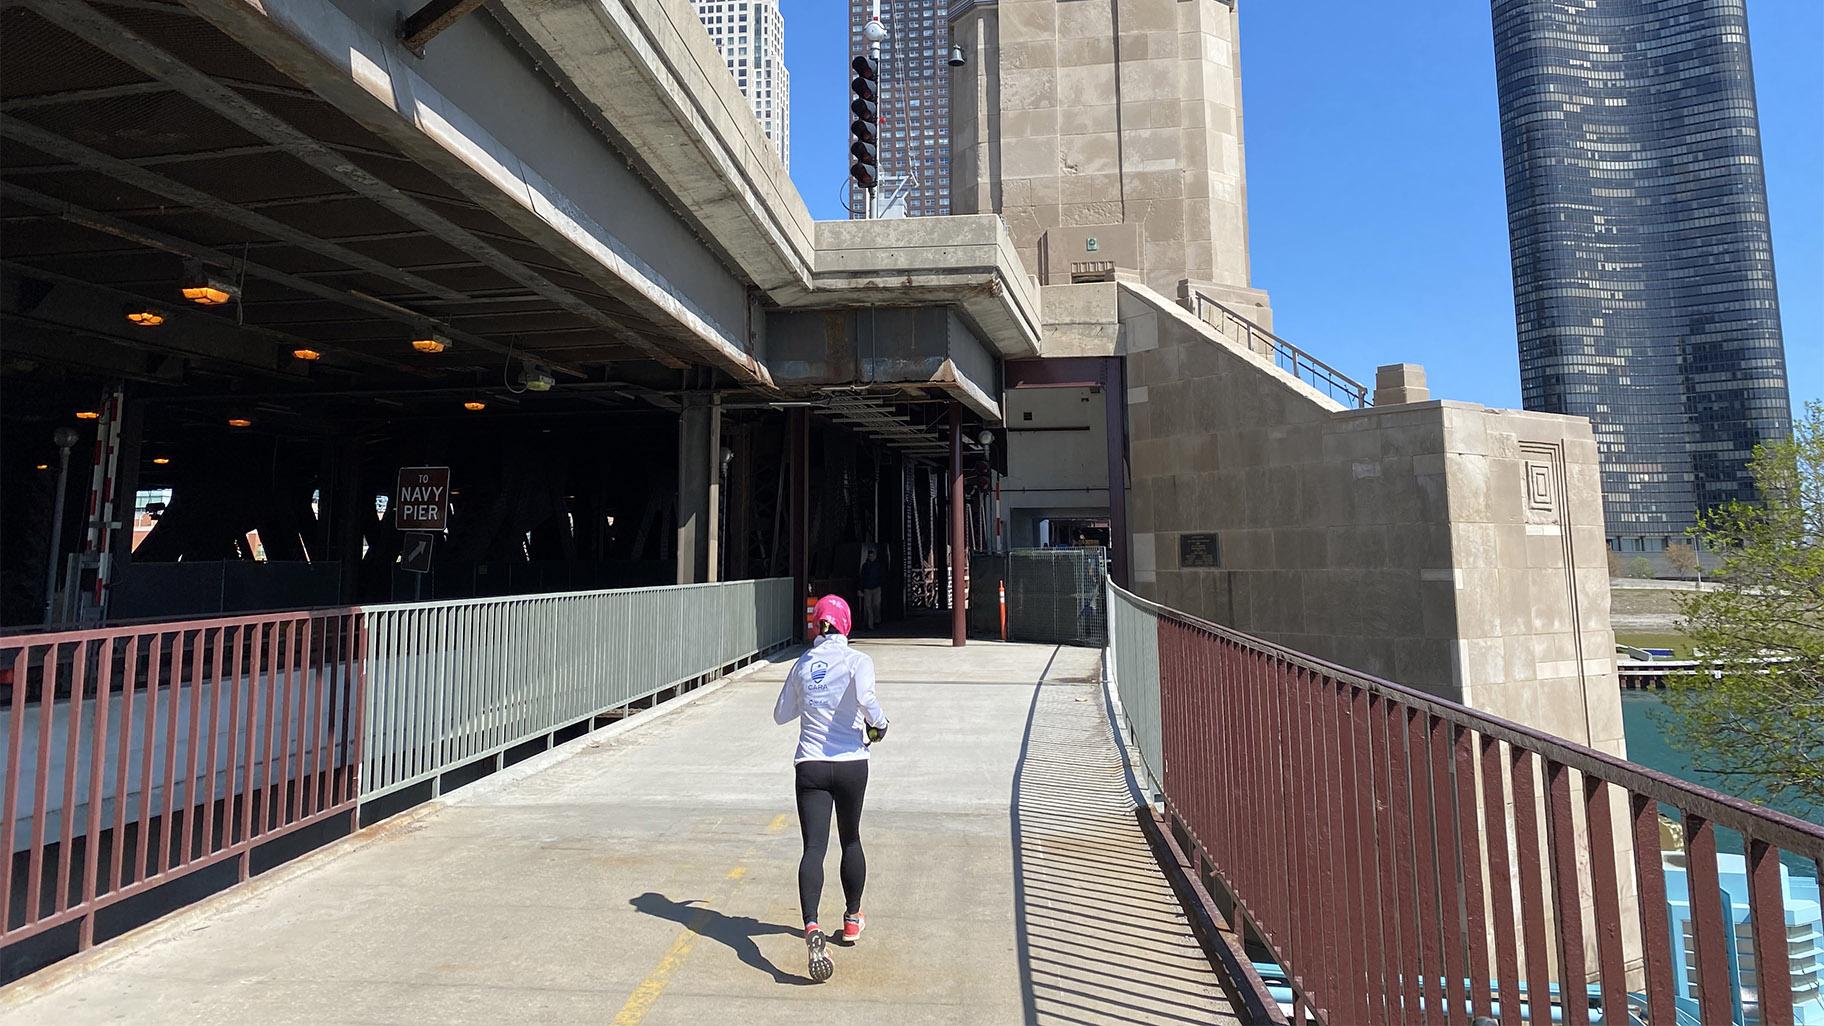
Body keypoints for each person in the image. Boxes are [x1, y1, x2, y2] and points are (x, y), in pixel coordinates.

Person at [773, 594, 888, 982]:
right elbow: (869, 701)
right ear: (846, 624)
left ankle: (810, 927)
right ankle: (852, 919)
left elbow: (780, 715)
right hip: (852, 763)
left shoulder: (802, 664)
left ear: (817, 625)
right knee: (851, 840)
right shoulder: (858, 661)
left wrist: (812, 699)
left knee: (813, 848)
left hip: (810, 766)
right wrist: (879, 724)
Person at [858, 549, 884, 630]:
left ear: (875, 556)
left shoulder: (879, 565)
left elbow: (882, 576)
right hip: (867, 588)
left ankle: (877, 620)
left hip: (876, 587)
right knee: (868, 606)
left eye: (872, 556)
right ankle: (870, 624)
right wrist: (860, 589)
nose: (871, 557)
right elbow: (861, 578)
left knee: (876, 605)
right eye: (870, 556)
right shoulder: (865, 566)